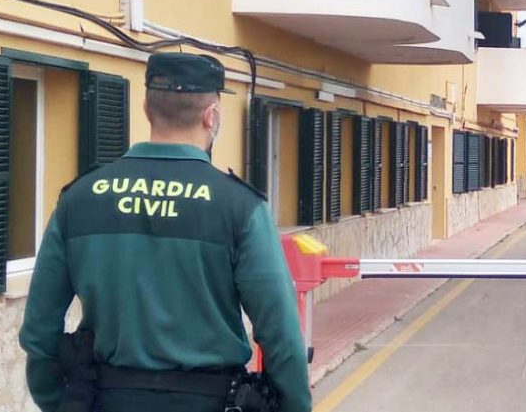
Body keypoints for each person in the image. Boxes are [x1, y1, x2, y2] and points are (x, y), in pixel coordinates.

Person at [19, 52, 311, 412]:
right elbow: (281, 337)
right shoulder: (240, 207)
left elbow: (39, 330)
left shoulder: (79, 199)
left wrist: (60, 400)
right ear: (211, 115)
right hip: (211, 401)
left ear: (145, 108)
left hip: (106, 399)